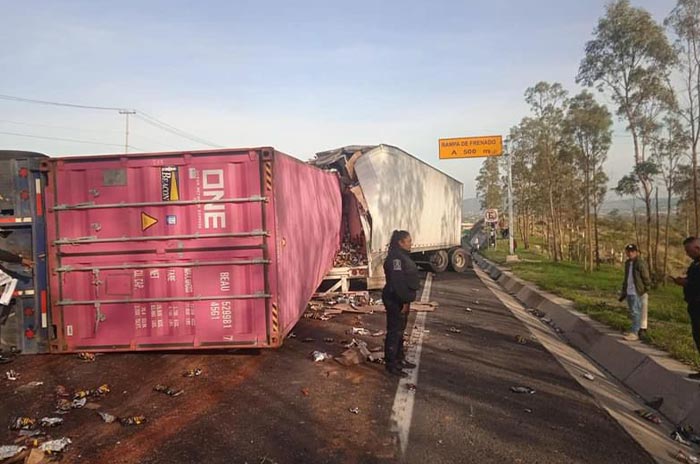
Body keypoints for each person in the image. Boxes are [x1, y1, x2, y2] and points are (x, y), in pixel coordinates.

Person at [383, 230, 420, 378]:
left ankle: (399, 359)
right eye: (408, 241)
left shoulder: (402, 256)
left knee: (400, 331)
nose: (411, 243)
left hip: (401, 299)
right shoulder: (396, 259)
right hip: (395, 299)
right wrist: (404, 301)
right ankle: (391, 364)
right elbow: (397, 283)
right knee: (394, 332)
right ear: (400, 243)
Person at [673, 237, 700, 379]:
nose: (687, 254)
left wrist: (686, 283)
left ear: (697, 248)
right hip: (694, 305)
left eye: (689, 251)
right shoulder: (695, 264)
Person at [619, 244, 651, 341]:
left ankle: (634, 332)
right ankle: (634, 329)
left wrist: (646, 288)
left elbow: (646, 277)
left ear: (636, 252)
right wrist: (624, 290)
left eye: (632, 251)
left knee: (636, 311)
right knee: (633, 312)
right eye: (628, 251)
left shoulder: (640, 263)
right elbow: (626, 278)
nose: (630, 253)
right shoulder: (628, 263)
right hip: (629, 290)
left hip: (637, 291)